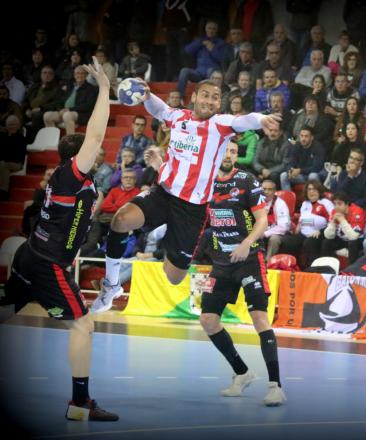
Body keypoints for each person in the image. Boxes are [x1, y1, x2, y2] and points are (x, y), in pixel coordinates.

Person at [92, 79, 280, 313]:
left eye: (214, 97)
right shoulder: (178, 117)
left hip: (192, 209)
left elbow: (243, 121)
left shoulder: (221, 124)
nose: (209, 101)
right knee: (120, 220)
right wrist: (148, 96)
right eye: (205, 95)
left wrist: (261, 119)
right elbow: (160, 110)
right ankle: (111, 285)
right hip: (164, 194)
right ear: (194, 97)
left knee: (174, 276)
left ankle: (170, 249)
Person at [0, 57, 119, 421]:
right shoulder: (69, 174)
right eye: (91, 152)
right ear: (77, 157)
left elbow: (89, 207)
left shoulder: (79, 185)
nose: (98, 153)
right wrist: (104, 89)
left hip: (31, 254)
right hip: (48, 263)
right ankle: (79, 404)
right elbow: (96, 135)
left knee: (6, 309)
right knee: (83, 323)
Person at [194, 140, 285, 406]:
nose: (230, 155)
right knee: (208, 320)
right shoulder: (206, 180)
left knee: (259, 318)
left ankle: (275, 386)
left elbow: (262, 220)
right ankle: (242, 373)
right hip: (222, 261)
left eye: (234, 151)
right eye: (225, 150)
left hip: (249, 258)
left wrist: (247, 243)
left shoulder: (246, 180)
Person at [279, 180, 334, 269]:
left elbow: (333, 222)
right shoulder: (305, 204)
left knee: (309, 243)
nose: (311, 192)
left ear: (319, 191)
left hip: (320, 233)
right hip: (304, 233)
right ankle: (294, 266)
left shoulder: (326, 203)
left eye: (314, 189)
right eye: (309, 189)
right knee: (287, 241)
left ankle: (311, 270)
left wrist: (320, 231)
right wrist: (296, 230)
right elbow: (302, 221)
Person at [43, 65, 98, 135]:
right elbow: (61, 100)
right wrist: (60, 109)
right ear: (74, 75)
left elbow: (88, 105)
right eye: (77, 73)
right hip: (66, 111)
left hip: (82, 114)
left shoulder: (91, 89)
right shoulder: (70, 87)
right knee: (47, 116)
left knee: (67, 115)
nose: (79, 75)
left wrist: (69, 109)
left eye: (82, 73)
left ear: (86, 75)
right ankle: (52, 140)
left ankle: (70, 142)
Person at [177, 20, 225, 96]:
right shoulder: (200, 40)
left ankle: (207, 95)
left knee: (210, 70)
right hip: (199, 73)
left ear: (216, 30)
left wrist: (213, 50)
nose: (211, 31)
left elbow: (222, 59)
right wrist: (201, 43)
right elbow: (187, 50)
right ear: (206, 29)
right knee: (184, 71)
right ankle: (179, 97)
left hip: (212, 72)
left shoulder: (220, 42)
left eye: (213, 29)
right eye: (209, 28)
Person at [322, 191, 366, 263]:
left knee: (352, 243)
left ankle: (351, 270)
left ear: (347, 204)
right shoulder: (334, 211)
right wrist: (333, 223)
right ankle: (327, 267)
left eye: (339, 204)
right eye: (335, 204)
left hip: (361, 240)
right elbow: (328, 236)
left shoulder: (358, 211)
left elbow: (354, 236)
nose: (336, 207)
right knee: (327, 242)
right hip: (344, 239)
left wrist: (342, 220)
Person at [279, 126, 325, 191]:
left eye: (306, 136)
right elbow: (291, 162)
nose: (303, 139)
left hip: (315, 174)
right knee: (284, 175)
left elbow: (317, 167)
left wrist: (300, 170)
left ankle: (317, 199)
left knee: (312, 176)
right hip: (302, 176)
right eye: (302, 136)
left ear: (312, 137)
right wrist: (290, 170)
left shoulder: (318, 147)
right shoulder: (297, 146)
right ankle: (289, 199)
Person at [262, 178, 291, 260]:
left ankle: (267, 263)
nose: (266, 192)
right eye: (264, 189)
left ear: (275, 191)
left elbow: (283, 227)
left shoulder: (280, 204)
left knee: (274, 239)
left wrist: (265, 234)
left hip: (278, 233)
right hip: (261, 230)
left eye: (269, 189)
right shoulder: (256, 202)